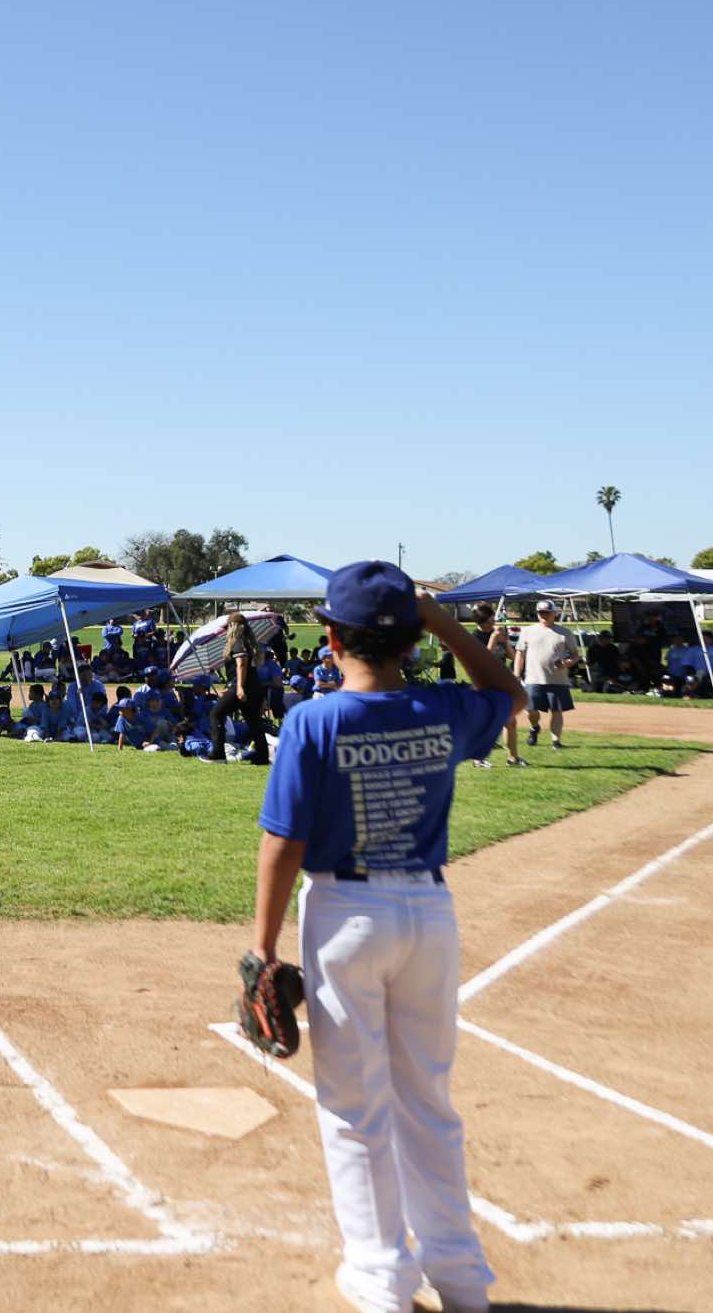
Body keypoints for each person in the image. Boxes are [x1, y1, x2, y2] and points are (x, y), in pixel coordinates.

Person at [248, 562, 524, 1313]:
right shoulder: (442, 706)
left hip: (345, 913)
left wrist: (263, 948)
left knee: (354, 1105)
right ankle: (460, 1276)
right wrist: (443, 623)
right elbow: (510, 693)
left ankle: (380, 1279)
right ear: (411, 638)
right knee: (427, 1098)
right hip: (429, 914)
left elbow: (283, 842)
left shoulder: (313, 720)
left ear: (331, 638)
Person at [513, 599, 580, 751]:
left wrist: (566, 663)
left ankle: (556, 741)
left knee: (556, 710)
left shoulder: (564, 633)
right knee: (531, 710)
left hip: (558, 680)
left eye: (547, 612)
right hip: (533, 678)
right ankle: (534, 727)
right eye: (541, 612)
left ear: (554, 614)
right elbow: (520, 654)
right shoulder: (528, 631)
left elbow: (576, 655)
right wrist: (517, 674)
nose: (544, 615)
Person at [204, 612, 270, 766]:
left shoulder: (237, 642)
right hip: (254, 687)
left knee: (216, 714)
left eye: (228, 627)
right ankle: (262, 756)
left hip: (242, 686)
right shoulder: (249, 643)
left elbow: (242, 664)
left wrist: (239, 687)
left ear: (233, 627)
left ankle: (218, 754)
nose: (226, 630)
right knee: (254, 721)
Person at [465, 603, 524, 768]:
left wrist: (505, 642)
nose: (491, 624)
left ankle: (513, 758)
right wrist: (492, 639)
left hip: (501, 683)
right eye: (487, 622)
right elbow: (482, 661)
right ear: (479, 622)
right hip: (483, 684)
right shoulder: (473, 637)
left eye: (492, 620)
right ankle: (478, 760)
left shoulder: (498, 633)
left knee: (510, 721)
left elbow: (513, 656)